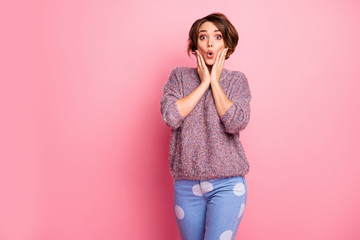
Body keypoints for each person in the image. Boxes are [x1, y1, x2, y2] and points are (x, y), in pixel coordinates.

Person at [160, 12, 252, 240]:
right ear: (195, 46)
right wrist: (204, 83)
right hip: (186, 185)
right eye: (203, 37)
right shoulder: (179, 78)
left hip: (228, 185)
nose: (210, 42)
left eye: (217, 36)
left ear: (227, 45)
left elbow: (236, 122)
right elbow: (171, 116)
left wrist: (216, 83)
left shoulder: (237, 81)